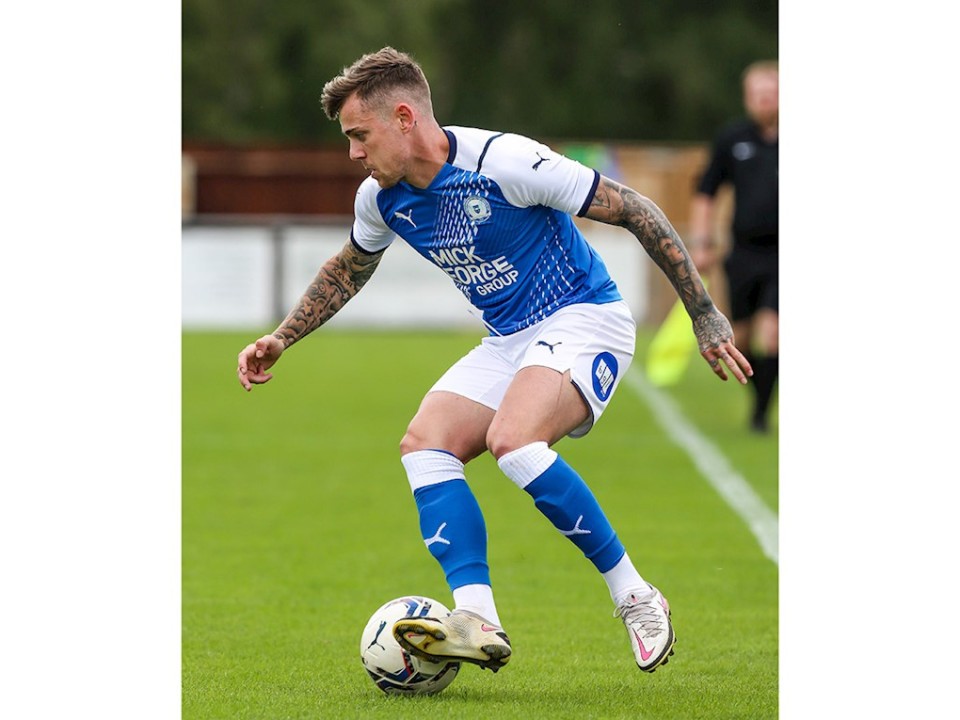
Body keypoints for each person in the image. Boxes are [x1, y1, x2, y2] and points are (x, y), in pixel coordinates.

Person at [237, 47, 752, 675]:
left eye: (359, 135)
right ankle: (476, 616)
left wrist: (704, 313)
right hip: (509, 339)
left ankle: (635, 594)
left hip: (584, 316)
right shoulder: (379, 198)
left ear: (404, 118)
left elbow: (637, 210)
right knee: (424, 445)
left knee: (514, 441)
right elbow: (349, 268)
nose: (353, 154)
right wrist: (283, 337)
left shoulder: (506, 162)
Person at [689, 60, 778, 433]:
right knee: (740, 337)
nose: (764, 100)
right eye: (757, 94)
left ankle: (760, 416)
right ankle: (760, 402)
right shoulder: (732, 139)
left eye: (770, 93)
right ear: (746, 98)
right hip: (743, 253)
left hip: (783, 256)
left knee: (772, 332)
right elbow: (705, 193)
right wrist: (701, 244)